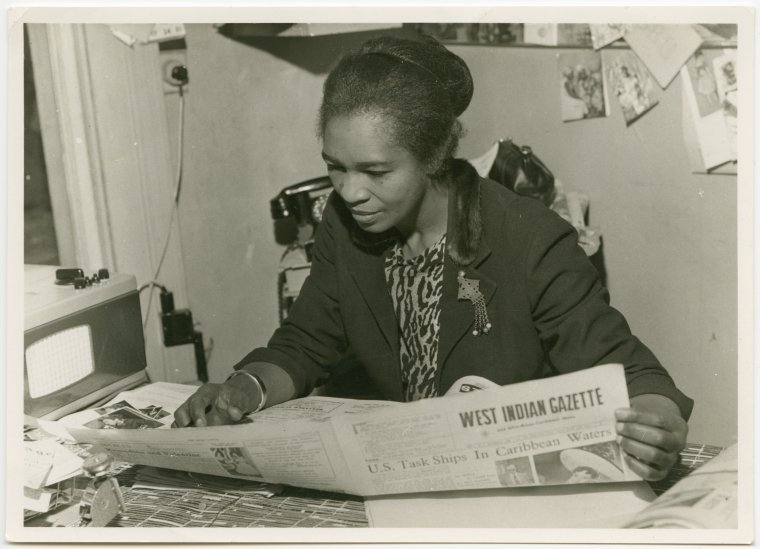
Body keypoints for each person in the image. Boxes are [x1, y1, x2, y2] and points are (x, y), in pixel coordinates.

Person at [174, 35, 692, 482]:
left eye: (376, 172)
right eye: (336, 166)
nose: (351, 191)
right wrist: (247, 387)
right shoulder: (342, 221)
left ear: (433, 157)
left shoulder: (529, 238)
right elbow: (309, 341)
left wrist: (656, 419)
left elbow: (628, 370)